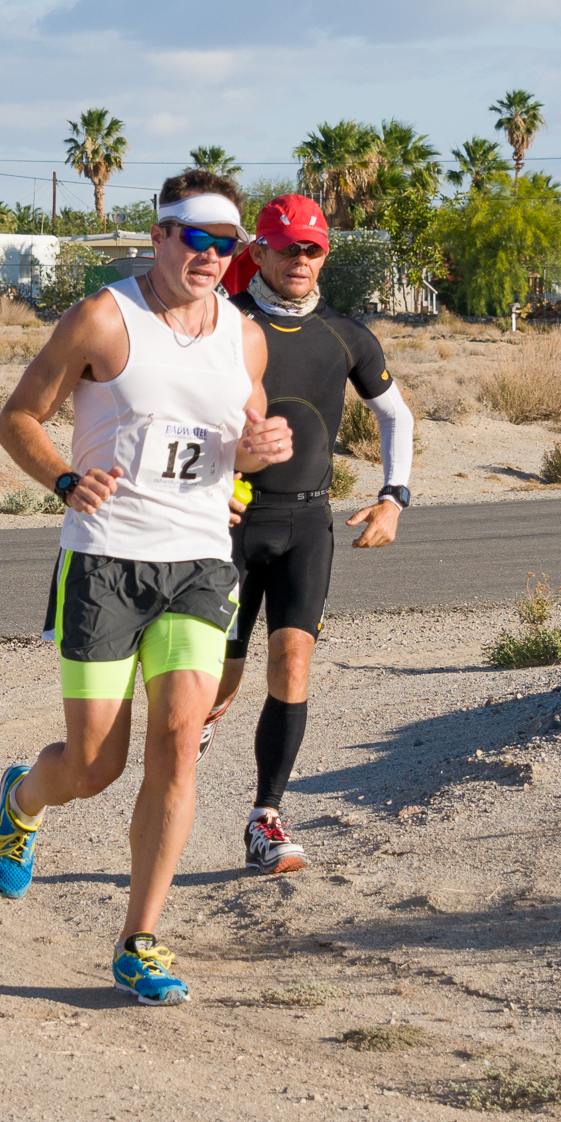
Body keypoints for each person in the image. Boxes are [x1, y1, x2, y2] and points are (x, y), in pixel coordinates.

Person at [0, 169, 293, 1006]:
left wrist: (260, 453)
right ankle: (22, 800)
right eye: (194, 238)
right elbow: (18, 417)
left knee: (177, 743)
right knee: (93, 764)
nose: (208, 256)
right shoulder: (102, 317)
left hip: (197, 561)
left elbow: (249, 436)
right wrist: (60, 478)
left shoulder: (244, 334)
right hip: (104, 559)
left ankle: (139, 938)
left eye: (224, 244)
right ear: (157, 236)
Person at [198, 194, 411, 875]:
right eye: (286, 246)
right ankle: (187, 737)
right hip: (227, 525)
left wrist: (392, 497)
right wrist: (198, 490)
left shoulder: (346, 334)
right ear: (256, 251)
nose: (300, 259)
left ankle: (265, 816)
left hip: (305, 523)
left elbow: (394, 415)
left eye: (312, 248)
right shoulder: (221, 324)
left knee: (291, 663)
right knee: (218, 684)